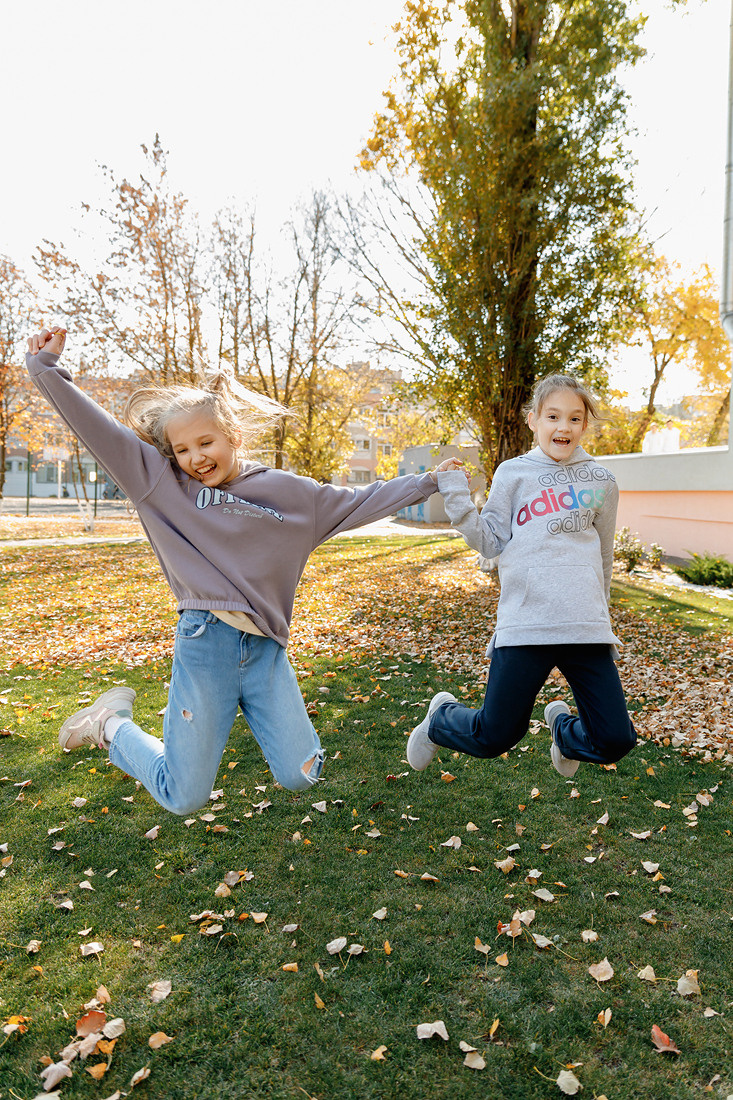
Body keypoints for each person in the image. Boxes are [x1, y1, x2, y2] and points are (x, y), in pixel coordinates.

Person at [27, 326, 460, 816]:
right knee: (183, 796)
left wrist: (429, 482)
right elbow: (101, 432)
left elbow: (363, 499)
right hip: (206, 642)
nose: (195, 458)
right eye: (183, 449)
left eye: (205, 442)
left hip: (265, 651)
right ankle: (110, 725)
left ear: (231, 436)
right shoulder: (163, 487)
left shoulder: (293, 495)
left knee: (301, 774)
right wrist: (46, 369)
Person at [409, 373, 636, 779]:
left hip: (584, 628)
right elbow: (490, 541)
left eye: (574, 418)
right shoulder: (513, 473)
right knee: (494, 736)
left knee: (616, 740)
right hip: (526, 623)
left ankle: (564, 733)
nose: (563, 427)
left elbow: (604, 553)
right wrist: (456, 494)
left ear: (585, 425)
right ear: (533, 420)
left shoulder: (603, 481)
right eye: (553, 416)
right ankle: (441, 719)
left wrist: (602, 616)